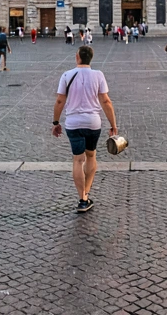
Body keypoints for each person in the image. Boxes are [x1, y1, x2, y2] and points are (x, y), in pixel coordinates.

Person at [52, 45, 117, 213]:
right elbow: (106, 101)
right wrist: (113, 124)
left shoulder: (66, 75)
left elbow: (60, 101)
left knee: (77, 160)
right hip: (92, 123)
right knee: (91, 156)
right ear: (91, 59)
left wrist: (55, 122)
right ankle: (86, 193)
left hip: (73, 123)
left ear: (77, 57)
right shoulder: (98, 75)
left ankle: (82, 198)